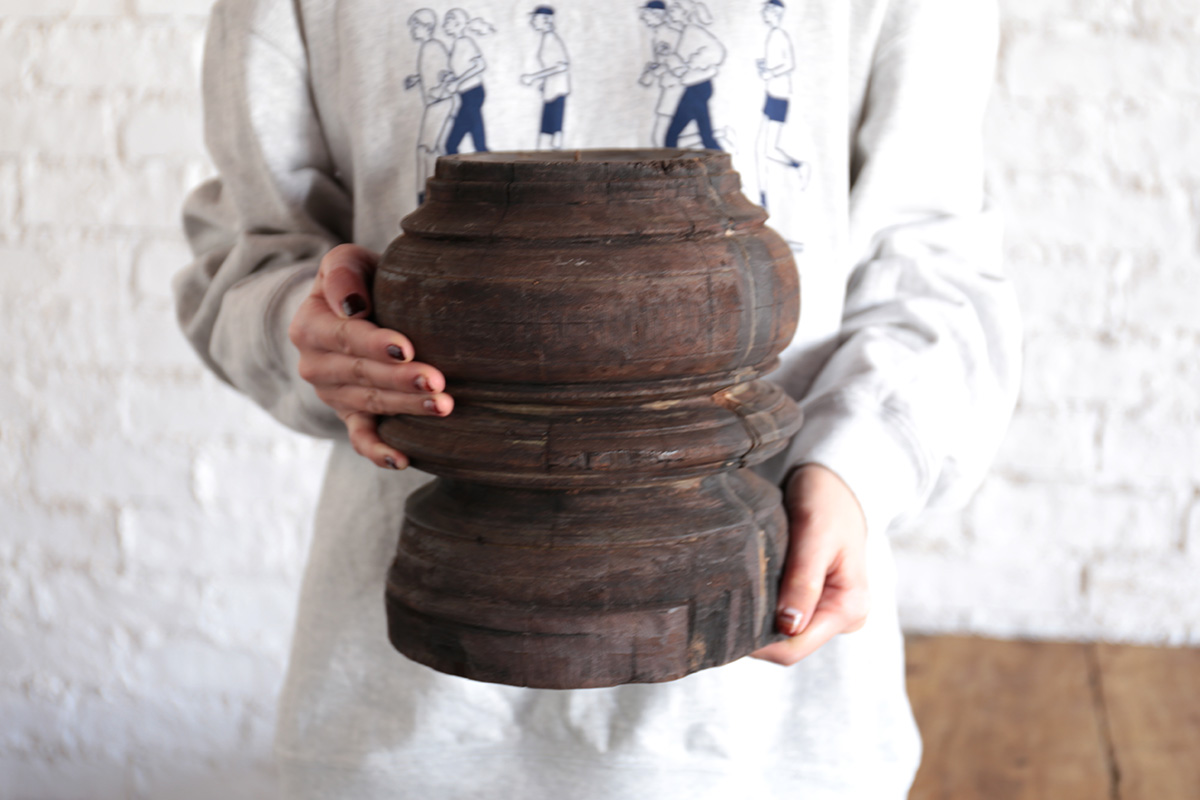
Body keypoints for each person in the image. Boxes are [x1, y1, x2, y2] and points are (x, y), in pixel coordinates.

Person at [175, 1, 1020, 798]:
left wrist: (856, 473)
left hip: (762, 734)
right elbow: (246, 256)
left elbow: (934, 267)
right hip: (413, 726)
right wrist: (313, 330)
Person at [519, 6, 570, 150]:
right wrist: (543, 83)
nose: (532, 21)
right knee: (547, 136)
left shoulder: (551, 38)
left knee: (553, 137)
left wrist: (534, 77)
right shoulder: (546, 38)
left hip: (557, 91)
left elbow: (562, 66)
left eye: (535, 18)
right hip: (551, 91)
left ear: (546, 20)